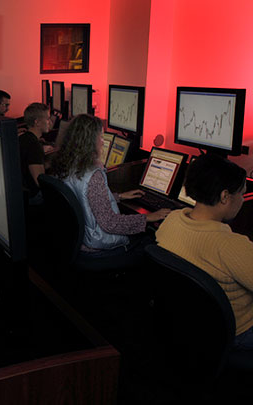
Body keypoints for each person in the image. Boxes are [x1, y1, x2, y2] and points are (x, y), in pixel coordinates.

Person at [156, 154, 253, 349]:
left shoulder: (171, 220)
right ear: (225, 196)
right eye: (242, 193)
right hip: (236, 332)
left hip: (189, 324)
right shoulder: (230, 245)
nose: (243, 200)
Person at [49, 114, 169, 260]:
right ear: (90, 142)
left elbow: (84, 199)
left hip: (77, 240)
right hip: (97, 246)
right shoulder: (93, 174)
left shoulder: (66, 164)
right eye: (101, 136)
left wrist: (119, 196)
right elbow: (110, 224)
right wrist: (148, 217)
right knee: (151, 240)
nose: (103, 141)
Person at [18, 103, 52, 204]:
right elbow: (39, 181)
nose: (50, 122)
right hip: (33, 197)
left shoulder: (24, 137)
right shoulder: (34, 145)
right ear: (37, 122)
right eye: (47, 119)